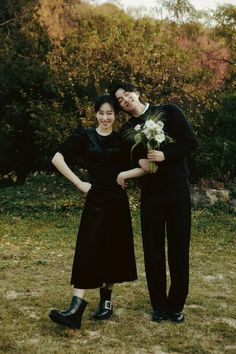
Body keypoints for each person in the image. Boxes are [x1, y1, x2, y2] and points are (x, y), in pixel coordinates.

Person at [49, 94, 146, 330]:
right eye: (101, 113)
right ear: (95, 113)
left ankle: (106, 302)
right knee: (87, 248)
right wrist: (79, 183)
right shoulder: (85, 136)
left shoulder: (124, 139)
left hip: (116, 200)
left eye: (109, 113)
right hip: (94, 199)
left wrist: (126, 174)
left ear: (115, 115)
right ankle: (75, 309)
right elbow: (56, 158)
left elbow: (146, 166)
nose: (105, 117)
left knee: (111, 248)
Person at [110, 81, 198, 323]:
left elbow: (191, 144)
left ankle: (176, 306)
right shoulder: (128, 130)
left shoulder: (169, 111)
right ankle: (158, 306)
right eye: (120, 100)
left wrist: (165, 156)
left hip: (178, 191)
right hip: (151, 196)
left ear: (136, 93)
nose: (125, 100)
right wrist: (138, 164)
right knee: (153, 251)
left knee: (179, 249)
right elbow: (128, 161)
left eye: (127, 94)